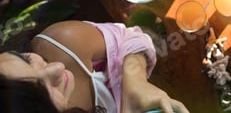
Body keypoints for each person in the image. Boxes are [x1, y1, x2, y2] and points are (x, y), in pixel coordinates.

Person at [0, 20, 189, 113]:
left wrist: (135, 81)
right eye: (43, 90)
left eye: (25, 59)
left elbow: (133, 37)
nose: (56, 68)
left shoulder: (62, 44)